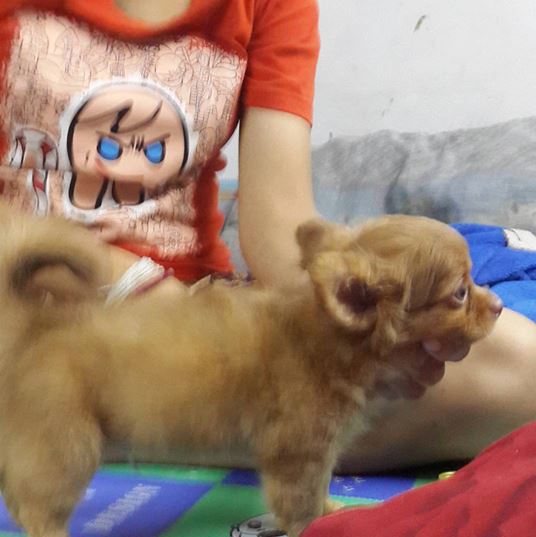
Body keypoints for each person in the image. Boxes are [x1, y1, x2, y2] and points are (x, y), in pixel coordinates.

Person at [1, 0, 535, 471]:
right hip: (24, 303)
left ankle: (95, 420)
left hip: (183, 330)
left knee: (518, 367)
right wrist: (129, 280)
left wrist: (367, 315)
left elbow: (280, 232)